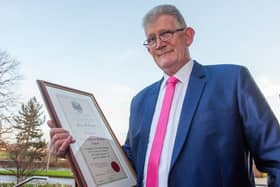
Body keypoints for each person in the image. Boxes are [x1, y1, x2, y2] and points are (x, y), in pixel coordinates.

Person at [48, 4, 280, 187]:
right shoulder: (140, 101)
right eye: (151, 39)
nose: (159, 44)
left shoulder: (232, 80)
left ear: (188, 36)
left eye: (166, 34)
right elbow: (127, 162)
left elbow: (276, 155)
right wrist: (75, 149)